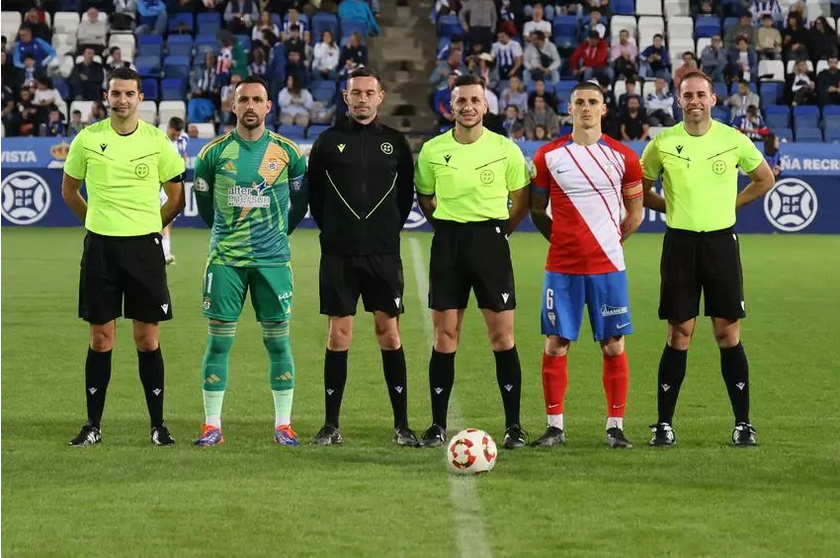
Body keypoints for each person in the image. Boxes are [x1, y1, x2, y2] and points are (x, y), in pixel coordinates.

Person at [640, 71, 776, 447]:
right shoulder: (662, 143)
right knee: (679, 332)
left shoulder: (732, 139)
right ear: (678, 100)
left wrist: (729, 204)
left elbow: (764, 179)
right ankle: (664, 425)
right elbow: (637, 187)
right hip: (680, 244)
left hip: (721, 245)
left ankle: (743, 424)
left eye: (701, 94)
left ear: (714, 100)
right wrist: (667, 206)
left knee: (727, 332)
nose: (695, 100)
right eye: (688, 95)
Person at [61, 66, 186, 447]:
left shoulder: (157, 140)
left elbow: (176, 196)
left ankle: (158, 426)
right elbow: (70, 190)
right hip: (101, 248)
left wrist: (149, 227)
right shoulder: (88, 138)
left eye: (129, 94)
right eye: (116, 93)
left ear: (140, 98)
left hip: (143, 250)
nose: (122, 100)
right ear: (107, 97)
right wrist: (96, 223)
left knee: (147, 339)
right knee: (101, 338)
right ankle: (93, 425)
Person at [414, 74, 531, 449]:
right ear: (451, 105)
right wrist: (450, 229)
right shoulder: (432, 150)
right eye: (460, 101)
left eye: (474, 100)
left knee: (502, 337)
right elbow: (426, 198)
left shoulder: (506, 149)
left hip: (491, 244)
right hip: (448, 244)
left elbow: (521, 199)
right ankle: (436, 425)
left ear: (485, 105)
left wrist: (497, 235)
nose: (467, 107)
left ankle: (513, 426)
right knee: (445, 337)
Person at [191, 76, 308, 447]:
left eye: (258, 99)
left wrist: (277, 235)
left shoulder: (288, 152)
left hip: (274, 262)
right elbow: (206, 209)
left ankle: (284, 425)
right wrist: (227, 235)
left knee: (278, 343)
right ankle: (212, 425)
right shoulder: (212, 154)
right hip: (226, 261)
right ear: (233, 105)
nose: (251, 106)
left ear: (269, 105)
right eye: (244, 100)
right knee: (219, 342)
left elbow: (300, 204)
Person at [306, 67, 418, 446]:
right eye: (356, 93)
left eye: (370, 93)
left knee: (389, 334)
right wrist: (339, 233)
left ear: (380, 97)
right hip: (338, 255)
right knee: (339, 336)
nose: (363, 99)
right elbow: (316, 200)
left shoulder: (396, 143)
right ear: (346, 96)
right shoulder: (326, 142)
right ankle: (331, 425)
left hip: (383, 255)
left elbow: (404, 200)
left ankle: (402, 426)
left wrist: (382, 233)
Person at [529, 81, 644, 449]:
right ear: (569, 108)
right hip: (561, 266)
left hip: (608, 267)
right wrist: (564, 241)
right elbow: (537, 211)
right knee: (556, 344)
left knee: (613, 345)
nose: (586, 108)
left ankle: (615, 427)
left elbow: (635, 215)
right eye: (580, 102)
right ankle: (554, 427)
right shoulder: (547, 156)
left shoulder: (625, 157)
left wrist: (609, 243)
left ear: (604, 109)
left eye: (593, 102)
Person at [160, 117, 188, 265]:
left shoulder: (183, 140)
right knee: (162, 219)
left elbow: (183, 155)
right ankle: (165, 253)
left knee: (168, 219)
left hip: (174, 184)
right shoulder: (159, 140)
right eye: (174, 134)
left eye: (179, 134)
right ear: (169, 128)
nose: (176, 136)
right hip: (160, 185)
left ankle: (163, 251)